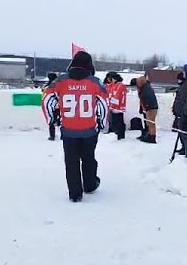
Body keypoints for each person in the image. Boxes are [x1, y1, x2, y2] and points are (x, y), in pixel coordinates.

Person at [42, 51, 108, 202]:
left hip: (69, 131)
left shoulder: (59, 81)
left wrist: (53, 119)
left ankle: (75, 194)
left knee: (71, 161)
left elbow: (47, 101)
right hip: (90, 131)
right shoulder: (95, 82)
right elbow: (104, 104)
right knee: (88, 158)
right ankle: (90, 185)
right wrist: (101, 123)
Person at [130, 76, 159, 143]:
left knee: (151, 123)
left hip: (151, 107)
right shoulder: (145, 87)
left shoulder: (145, 89)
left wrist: (146, 107)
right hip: (149, 107)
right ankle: (149, 135)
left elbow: (147, 99)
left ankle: (152, 137)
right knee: (149, 123)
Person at [108, 72, 127, 140]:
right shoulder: (116, 85)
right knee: (117, 121)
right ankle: (119, 134)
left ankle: (120, 135)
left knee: (118, 121)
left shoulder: (119, 86)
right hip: (116, 106)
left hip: (117, 107)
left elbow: (117, 96)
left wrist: (112, 103)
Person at [42, 72, 59, 141]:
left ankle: (52, 136)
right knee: (60, 119)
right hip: (55, 105)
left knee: (52, 121)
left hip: (49, 105)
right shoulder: (56, 85)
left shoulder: (47, 86)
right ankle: (61, 136)